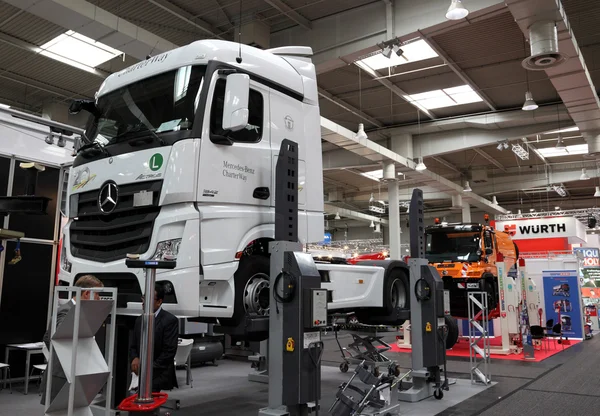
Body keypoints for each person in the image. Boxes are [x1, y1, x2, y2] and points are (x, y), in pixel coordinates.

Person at [41, 275, 104, 406]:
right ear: (87, 293)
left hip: (76, 374)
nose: (99, 299)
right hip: (62, 376)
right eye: (97, 294)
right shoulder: (66, 311)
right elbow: (58, 335)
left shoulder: (81, 312)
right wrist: (58, 359)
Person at [130, 284, 179, 392]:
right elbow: (134, 346)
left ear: (159, 301)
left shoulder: (169, 320)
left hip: (159, 371)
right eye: (143, 297)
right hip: (140, 371)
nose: (143, 301)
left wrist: (147, 368)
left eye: (148, 298)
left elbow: (169, 352)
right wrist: (135, 358)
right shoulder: (139, 320)